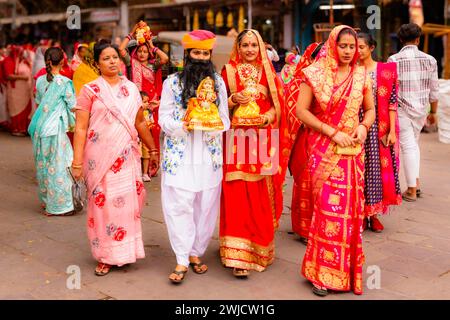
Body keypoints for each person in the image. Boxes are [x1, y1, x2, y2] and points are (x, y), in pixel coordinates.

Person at [295, 25, 375, 296]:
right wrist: (332, 132)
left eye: (352, 47)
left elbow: (370, 109)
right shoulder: (315, 75)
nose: (348, 51)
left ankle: (347, 272)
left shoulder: (361, 74)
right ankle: (322, 273)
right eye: (343, 46)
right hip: (324, 149)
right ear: (332, 45)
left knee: (351, 214)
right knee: (328, 211)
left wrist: (363, 127)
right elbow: (301, 111)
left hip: (352, 154)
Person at [71, 40, 159, 276]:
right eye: (106, 58)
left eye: (115, 58)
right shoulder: (90, 90)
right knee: (103, 206)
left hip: (127, 157)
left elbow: (140, 122)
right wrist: (76, 162)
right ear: (97, 63)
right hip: (99, 159)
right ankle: (106, 255)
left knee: (128, 205)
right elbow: (80, 128)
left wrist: (152, 150)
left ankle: (125, 251)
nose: (112, 62)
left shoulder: (130, 89)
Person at [159, 30, 230, 284]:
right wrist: (185, 124)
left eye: (205, 53)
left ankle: (196, 253)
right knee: (179, 204)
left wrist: (210, 121)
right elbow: (163, 119)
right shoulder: (172, 83)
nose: (201, 58)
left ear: (210, 55)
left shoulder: (218, 84)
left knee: (206, 204)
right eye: (196, 53)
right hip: (180, 154)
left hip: (209, 156)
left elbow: (225, 120)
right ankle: (181, 257)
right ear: (187, 55)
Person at [220, 29, 289, 278]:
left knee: (260, 194)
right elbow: (213, 106)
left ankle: (259, 249)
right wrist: (230, 100)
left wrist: (266, 117)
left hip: (262, 139)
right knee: (236, 194)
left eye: (253, 45)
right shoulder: (227, 72)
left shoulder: (269, 73)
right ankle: (237, 255)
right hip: (235, 140)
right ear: (237, 48)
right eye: (245, 45)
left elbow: (278, 106)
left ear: (260, 47)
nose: (249, 49)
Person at [387, 23, 439, 202]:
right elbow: (434, 90)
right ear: (418, 39)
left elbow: (390, 89)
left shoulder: (393, 60)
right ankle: (415, 182)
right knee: (414, 144)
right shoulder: (430, 60)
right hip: (421, 110)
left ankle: (410, 189)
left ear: (400, 40)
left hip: (402, 109)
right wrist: (433, 112)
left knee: (408, 146)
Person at [357, 33, 401, 232]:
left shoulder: (385, 70)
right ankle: (357, 215)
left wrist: (392, 130)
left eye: (361, 47)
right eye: (352, 47)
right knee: (356, 172)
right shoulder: (349, 71)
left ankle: (373, 215)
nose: (356, 51)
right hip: (355, 127)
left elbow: (392, 102)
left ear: (371, 48)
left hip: (377, 130)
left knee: (375, 173)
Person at [28, 47, 76, 216]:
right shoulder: (64, 83)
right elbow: (73, 106)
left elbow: (39, 102)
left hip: (39, 129)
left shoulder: (40, 81)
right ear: (62, 61)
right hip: (56, 130)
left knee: (43, 165)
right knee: (59, 166)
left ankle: (46, 201)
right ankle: (59, 206)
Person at [285, 42, 323, 242]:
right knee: (306, 180)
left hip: (328, 138)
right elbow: (292, 114)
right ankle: (304, 227)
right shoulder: (299, 81)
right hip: (304, 137)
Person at [120, 22, 169, 176]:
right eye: (139, 51)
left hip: (151, 105)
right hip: (135, 105)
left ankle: (151, 167)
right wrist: (133, 31)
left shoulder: (153, 66)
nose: (142, 54)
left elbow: (165, 58)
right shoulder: (131, 63)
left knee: (152, 134)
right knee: (135, 136)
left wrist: (151, 45)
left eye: (145, 52)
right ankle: (136, 168)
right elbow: (121, 49)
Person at [3, 45, 32, 136]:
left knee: (25, 109)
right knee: (16, 109)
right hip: (15, 91)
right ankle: (17, 128)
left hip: (24, 91)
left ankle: (23, 128)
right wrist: (23, 78)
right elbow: (9, 76)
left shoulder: (21, 61)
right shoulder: (9, 61)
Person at [140, 91, 156, 182]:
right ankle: (137, 174)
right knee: (138, 155)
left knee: (146, 155)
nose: (147, 104)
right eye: (144, 102)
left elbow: (151, 123)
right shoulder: (136, 112)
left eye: (147, 102)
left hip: (146, 137)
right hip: (137, 138)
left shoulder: (149, 112)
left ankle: (145, 173)